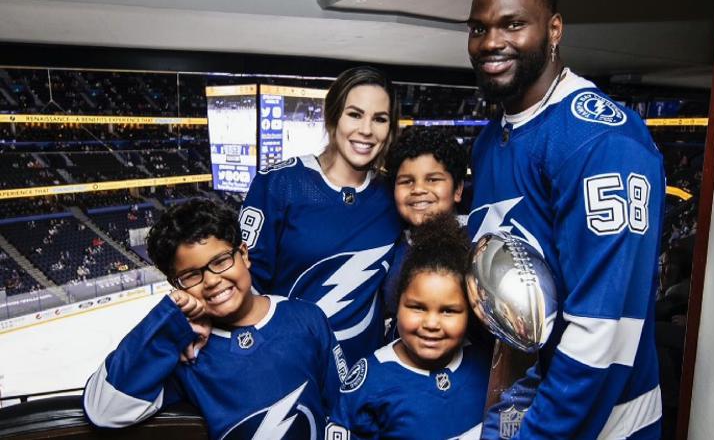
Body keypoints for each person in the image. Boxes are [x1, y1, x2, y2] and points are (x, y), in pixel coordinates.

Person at [466, 0, 665, 438]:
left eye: (513, 25)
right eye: (478, 29)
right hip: (519, 407)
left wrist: (539, 433)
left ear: (554, 29)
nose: (491, 42)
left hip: (599, 424)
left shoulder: (601, 139)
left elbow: (604, 330)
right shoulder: (491, 139)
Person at [82, 198, 346, 439]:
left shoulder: (307, 318)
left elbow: (341, 407)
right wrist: (168, 323)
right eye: (191, 276)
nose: (211, 281)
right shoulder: (185, 353)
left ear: (243, 255)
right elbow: (104, 410)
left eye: (220, 261)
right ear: (177, 286)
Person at [240, 66, 402, 366]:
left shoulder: (394, 195)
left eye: (380, 119)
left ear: (390, 130)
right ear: (333, 117)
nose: (366, 130)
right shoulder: (280, 183)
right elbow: (244, 282)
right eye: (355, 114)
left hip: (360, 376)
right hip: (286, 366)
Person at [327, 214, 490, 439]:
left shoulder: (484, 362)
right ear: (398, 304)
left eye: (448, 311)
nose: (431, 323)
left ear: (469, 312)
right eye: (417, 308)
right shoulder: (371, 382)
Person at [381, 126, 468, 316]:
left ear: (458, 190)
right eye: (407, 181)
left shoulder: (474, 242)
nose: (418, 189)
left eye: (433, 179)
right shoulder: (389, 247)